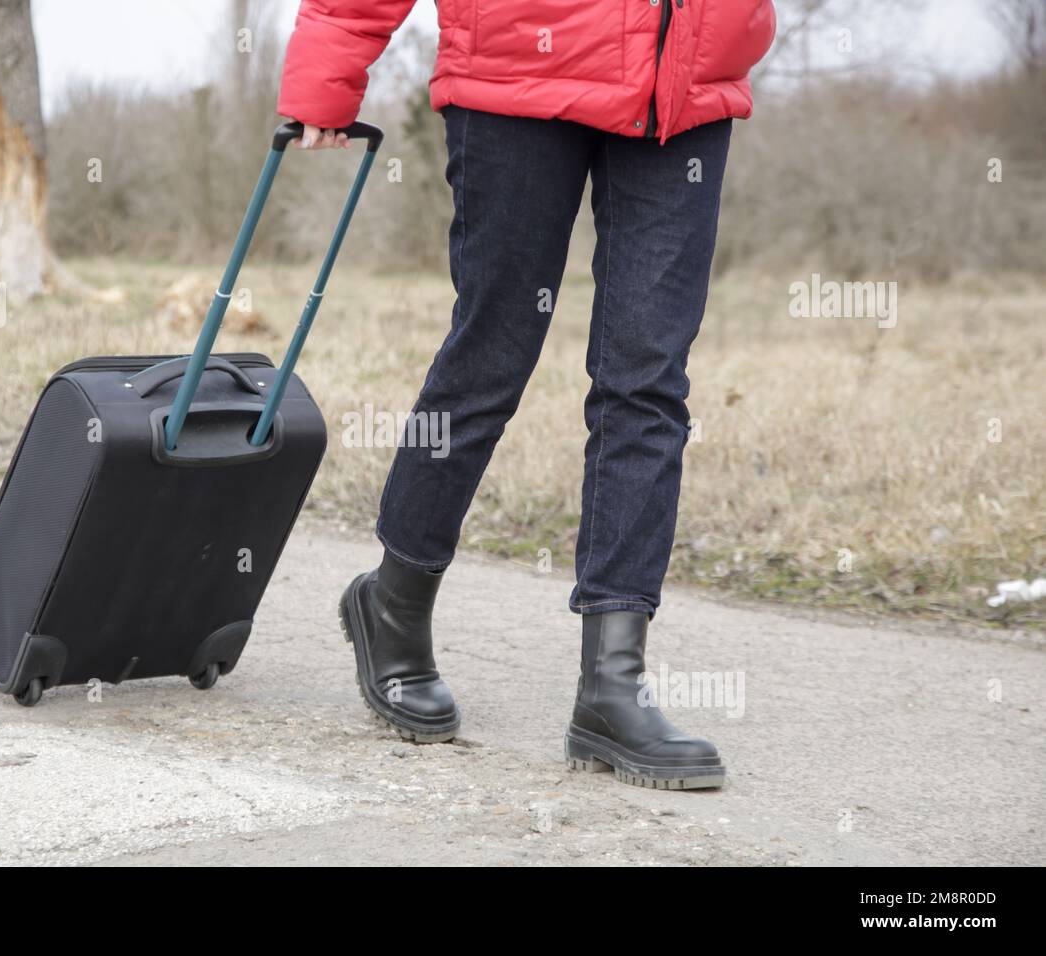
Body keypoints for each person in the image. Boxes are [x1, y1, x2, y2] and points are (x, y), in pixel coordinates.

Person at [278, 0, 776, 790]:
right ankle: (395, 604)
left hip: (684, 79)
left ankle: (610, 690)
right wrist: (327, 69)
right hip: (517, 66)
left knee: (648, 381)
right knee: (492, 353)